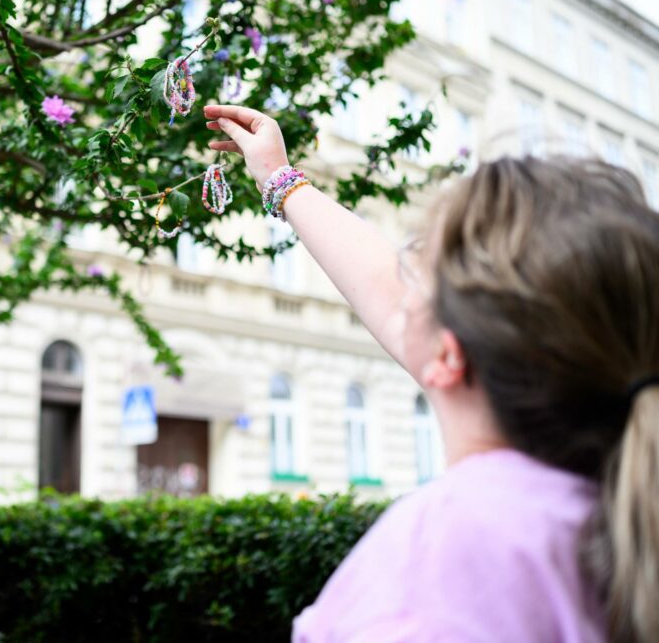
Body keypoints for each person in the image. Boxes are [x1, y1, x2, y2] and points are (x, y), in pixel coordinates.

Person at [204, 104, 659, 642]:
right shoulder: (612, 499)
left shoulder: (439, 562)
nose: (403, 269)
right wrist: (282, 179)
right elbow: (386, 288)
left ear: (448, 355)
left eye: (419, 258)